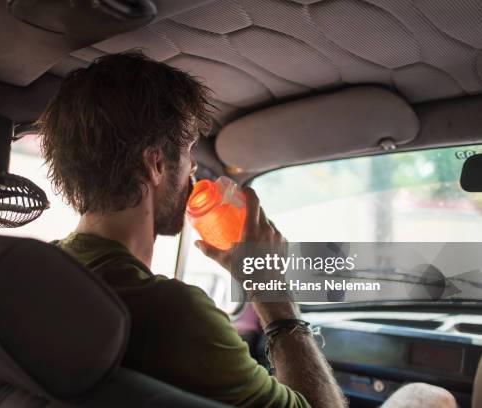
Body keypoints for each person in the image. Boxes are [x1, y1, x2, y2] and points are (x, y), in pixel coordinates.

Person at [38, 51, 455, 408]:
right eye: (186, 155)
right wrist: (271, 292)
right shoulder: (170, 312)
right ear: (156, 164)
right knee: (427, 395)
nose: (193, 172)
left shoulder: (38, 274)